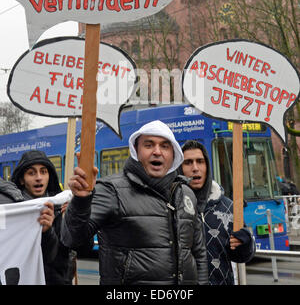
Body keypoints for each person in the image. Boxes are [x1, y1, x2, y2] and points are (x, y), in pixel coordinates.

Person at [61, 120, 208, 285]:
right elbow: (72, 239)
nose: (157, 152)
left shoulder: (186, 194)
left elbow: (198, 253)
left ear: (173, 154)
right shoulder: (111, 190)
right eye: (149, 145)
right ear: (136, 151)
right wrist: (81, 200)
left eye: (165, 146)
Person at [180, 140, 255, 285]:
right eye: (188, 162)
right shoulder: (171, 206)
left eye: (200, 161)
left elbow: (242, 256)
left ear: (207, 166)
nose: (195, 168)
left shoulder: (228, 206)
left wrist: (245, 243)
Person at [10, 150, 74, 285]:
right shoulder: (13, 211)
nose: (38, 177)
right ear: (21, 179)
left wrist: (76, 214)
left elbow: (59, 257)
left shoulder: (61, 207)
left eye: (43, 172)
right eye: (31, 173)